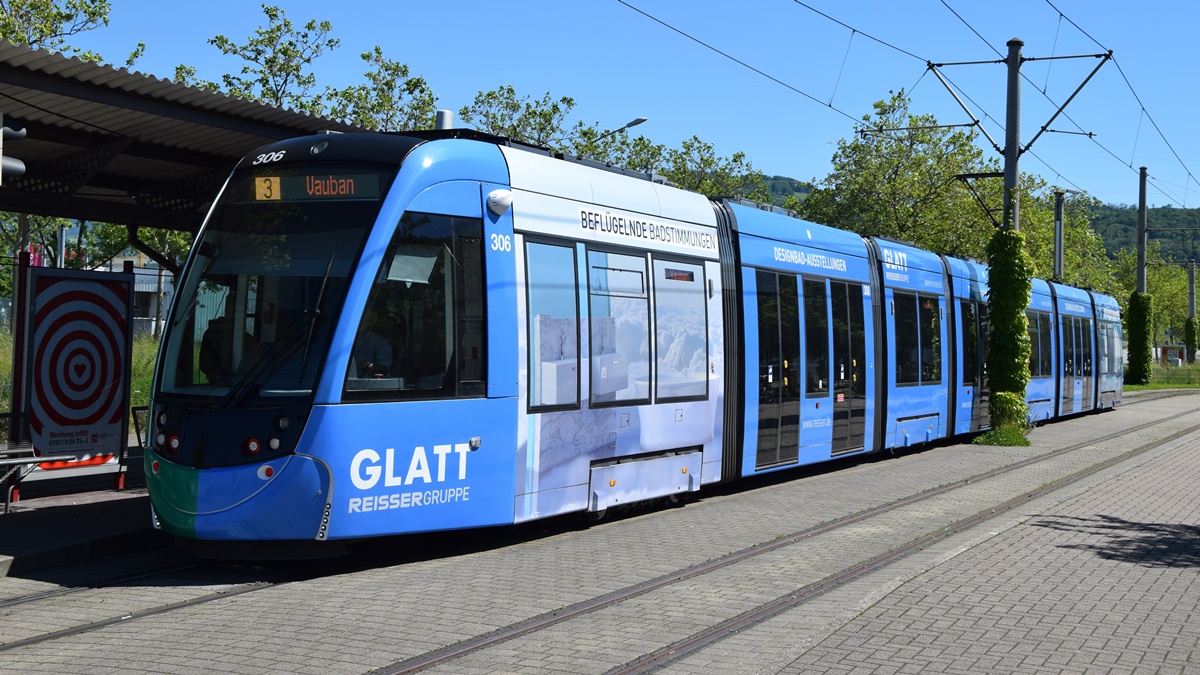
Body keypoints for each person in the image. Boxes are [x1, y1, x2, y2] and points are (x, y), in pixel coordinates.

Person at [353, 303, 393, 377]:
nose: (361, 319)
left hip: (365, 386)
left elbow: (384, 367)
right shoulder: (343, 339)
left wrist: (371, 366)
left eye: (365, 316)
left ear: (374, 319)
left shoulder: (381, 343)